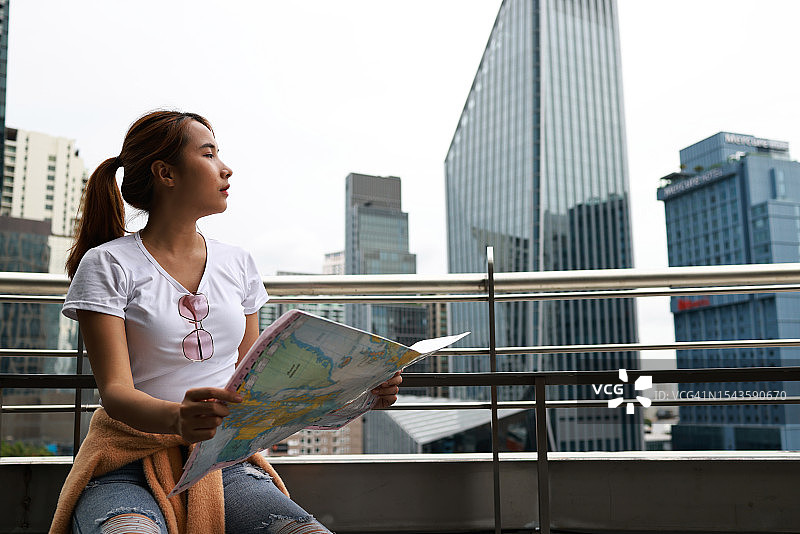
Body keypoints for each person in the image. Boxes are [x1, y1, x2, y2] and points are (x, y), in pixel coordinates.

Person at [49, 110, 402, 534]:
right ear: (166, 173)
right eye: (210, 153)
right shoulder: (107, 264)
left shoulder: (239, 263)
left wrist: (360, 392)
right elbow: (117, 393)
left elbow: (256, 389)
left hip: (222, 460)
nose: (226, 167)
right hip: (125, 461)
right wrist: (179, 419)